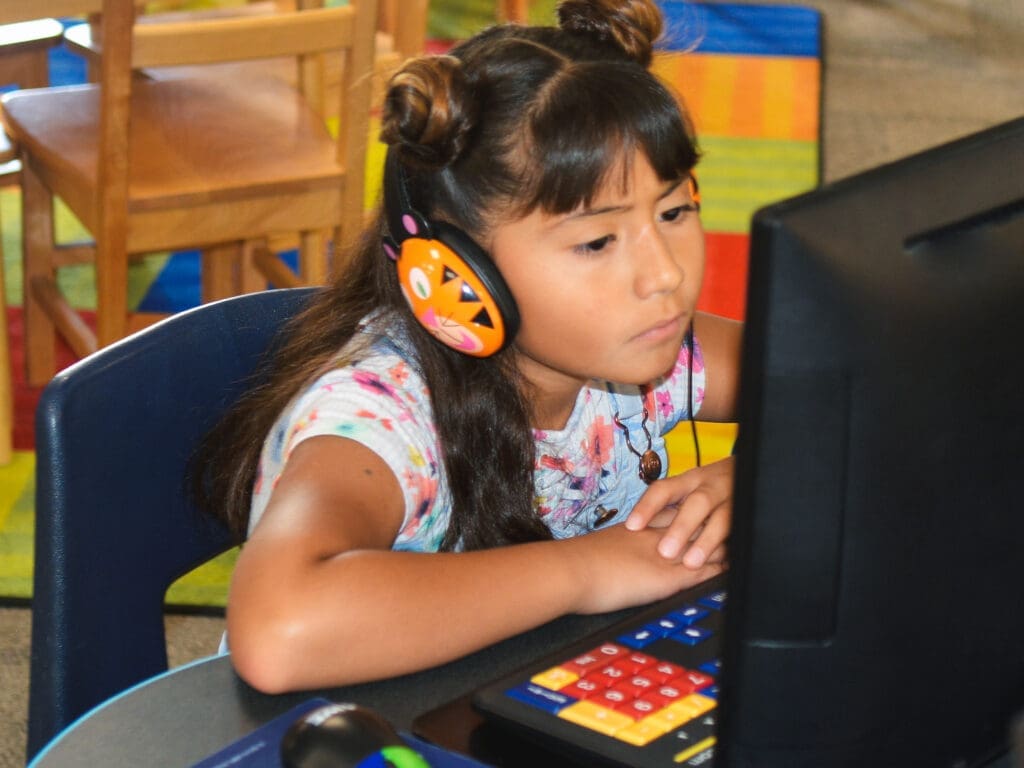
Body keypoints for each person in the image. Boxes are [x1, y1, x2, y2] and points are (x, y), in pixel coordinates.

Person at [195, 0, 743, 694]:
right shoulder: (384, 419)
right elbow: (278, 633)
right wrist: (588, 569)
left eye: (674, 211)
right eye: (597, 242)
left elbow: (849, 375)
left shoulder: (647, 348)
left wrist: (755, 476)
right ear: (455, 277)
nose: (664, 273)